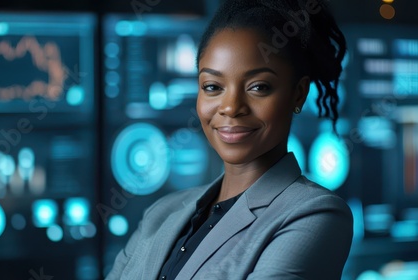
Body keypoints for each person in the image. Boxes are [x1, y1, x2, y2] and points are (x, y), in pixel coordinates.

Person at [106, 0, 353, 279]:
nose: (231, 107)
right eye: (213, 87)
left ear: (297, 94)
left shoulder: (314, 215)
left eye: (258, 87)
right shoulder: (162, 213)